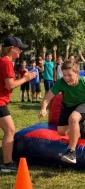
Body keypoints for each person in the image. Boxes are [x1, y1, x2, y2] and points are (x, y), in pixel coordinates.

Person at [38, 60, 85, 164]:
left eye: (69, 75)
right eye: (64, 75)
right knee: (61, 131)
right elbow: (48, 96)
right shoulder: (61, 83)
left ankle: (71, 152)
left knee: (73, 119)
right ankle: (82, 126)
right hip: (67, 105)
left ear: (77, 73)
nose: (66, 78)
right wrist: (43, 108)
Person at [0, 36, 36, 172]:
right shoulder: (6, 62)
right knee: (10, 130)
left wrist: (23, 76)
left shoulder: (5, 61)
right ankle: (7, 164)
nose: (20, 51)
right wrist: (25, 79)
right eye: (19, 48)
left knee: (9, 130)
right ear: (12, 49)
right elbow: (10, 85)